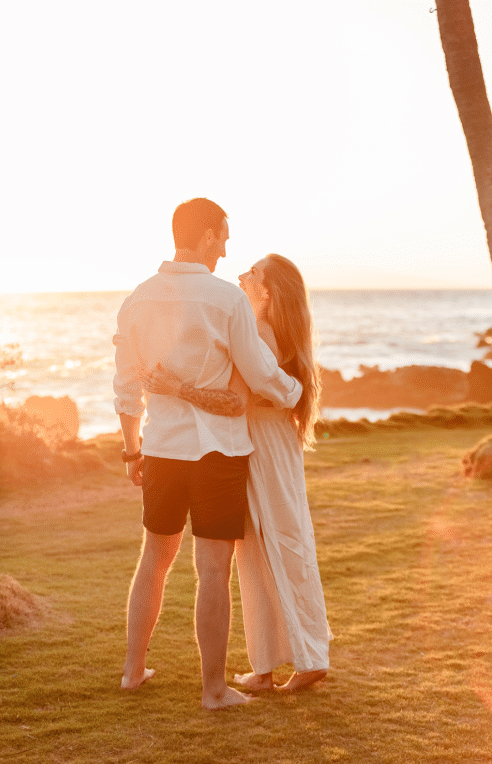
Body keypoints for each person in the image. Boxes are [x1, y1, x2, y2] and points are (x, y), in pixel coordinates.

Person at [113, 198, 302, 710]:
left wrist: (133, 452)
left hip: (161, 450)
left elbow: (127, 387)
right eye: (222, 235)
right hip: (219, 450)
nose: (225, 246)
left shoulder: (137, 299)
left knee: (154, 560)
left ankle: (133, 672)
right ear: (203, 235)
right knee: (212, 568)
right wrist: (294, 393)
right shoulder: (225, 300)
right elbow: (260, 372)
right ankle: (214, 691)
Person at [144, 253, 331, 692]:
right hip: (263, 445)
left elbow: (239, 400)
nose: (242, 276)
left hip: (261, 447)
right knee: (265, 549)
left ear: (268, 291)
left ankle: (307, 658)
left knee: (276, 547)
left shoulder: (260, 332)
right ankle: (267, 666)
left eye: (253, 274)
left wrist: (176, 388)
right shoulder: (268, 329)